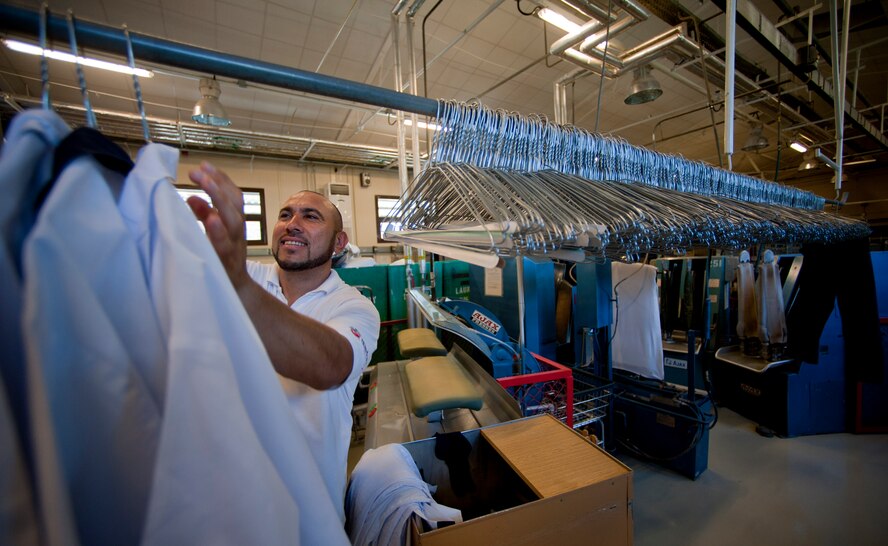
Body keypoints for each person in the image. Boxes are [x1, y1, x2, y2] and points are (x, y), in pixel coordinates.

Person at [186, 161, 380, 523]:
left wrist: (238, 288)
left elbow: (330, 365)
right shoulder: (244, 275)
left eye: (311, 216)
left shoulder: (354, 307)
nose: (292, 223)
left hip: (309, 514)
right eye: (285, 214)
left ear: (339, 242)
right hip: (225, 504)